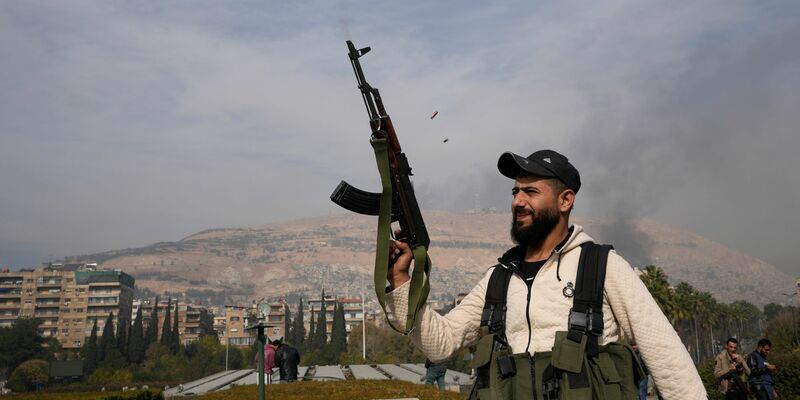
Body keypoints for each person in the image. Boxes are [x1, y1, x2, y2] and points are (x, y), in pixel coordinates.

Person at [384, 149, 706, 399]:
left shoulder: (601, 267)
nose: (517, 202)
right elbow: (441, 343)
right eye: (514, 192)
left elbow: (667, 358)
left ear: (565, 200)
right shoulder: (500, 276)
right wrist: (400, 280)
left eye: (531, 192)